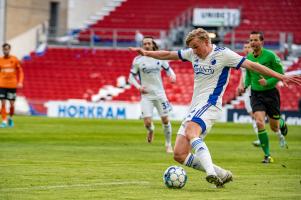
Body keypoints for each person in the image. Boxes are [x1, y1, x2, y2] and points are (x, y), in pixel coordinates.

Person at [129, 28, 300, 187]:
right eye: (192, 48)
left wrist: (281, 76)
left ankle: (211, 174)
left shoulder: (224, 54)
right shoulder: (193, 53)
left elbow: (252, 66)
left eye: (196, 47)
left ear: (206, 41)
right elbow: (168, 54)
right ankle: (222, 173)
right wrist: (147, 53)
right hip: (195, 106)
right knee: (179, 154)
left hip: (211, 104)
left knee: (191, 131)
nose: (194, 51)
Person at [244, 31, 289, 163]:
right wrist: (245, 85)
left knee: (274, 127)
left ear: (262, 42)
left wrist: (268, 82)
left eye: (255, 40)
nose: (253, 42)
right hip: (256, 94)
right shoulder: (249, 58)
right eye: (251, 40)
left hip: (271, 94)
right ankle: (267, 156)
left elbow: (281, 73)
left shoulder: (270, 56)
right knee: (259, 122)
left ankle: (281, 122)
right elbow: (248, 74)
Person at [128, 36, 176, 153]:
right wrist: (139, 86)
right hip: (146, 96)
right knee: (147, 122)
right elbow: (130, 77)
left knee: (165, 120)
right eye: (145, 44)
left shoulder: (160, 57)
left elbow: (169, 69)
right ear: (142, 46)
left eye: (149, 43)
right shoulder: (138, 60)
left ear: (153, 45)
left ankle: (168, 144)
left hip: (160, 95)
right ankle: (150, 130)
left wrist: (172, 76)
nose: (147, 45)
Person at [237, 42, 260, 146]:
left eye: (248, 47)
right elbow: (243, 74)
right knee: (252, 113)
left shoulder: (256, 59)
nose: (246, 49)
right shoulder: (243, 60)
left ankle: (278, 132)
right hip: (248, 90)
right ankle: (260, 137)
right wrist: (240, 85)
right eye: (245, 47)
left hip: (256, 89)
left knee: (256, 113)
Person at [0, 43, 24, 127]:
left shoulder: (14, 59)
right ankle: (4, 121)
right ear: (2, 50)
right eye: (4, 49)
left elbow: (20, 71)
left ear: (9, 49)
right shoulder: (0, 60)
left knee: (12, 104)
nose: (5, 50)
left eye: (7, 49)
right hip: (2, 85)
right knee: (3, 103)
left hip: (12, 85)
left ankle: (10, 117)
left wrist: (20, 82)